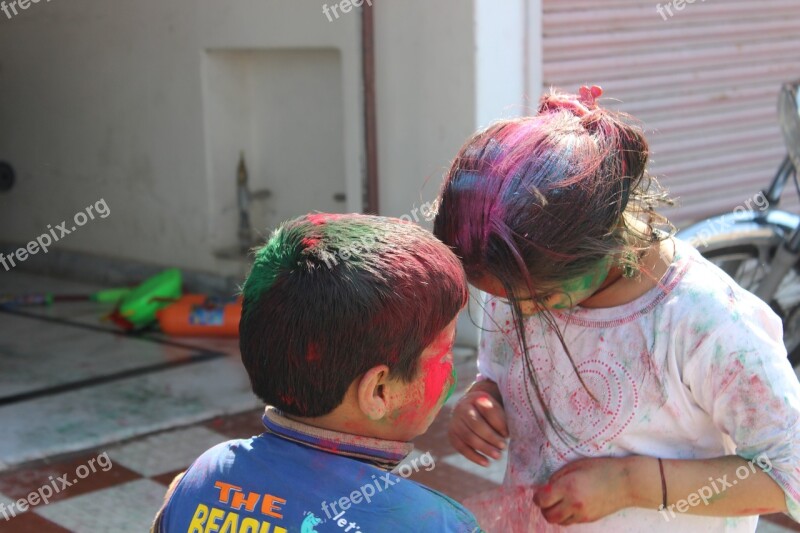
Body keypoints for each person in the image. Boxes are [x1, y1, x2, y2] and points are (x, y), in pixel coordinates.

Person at [434, 86, 800, 531]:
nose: (518, 313)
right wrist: (483, 400)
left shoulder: (708, 325)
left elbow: (789, 476)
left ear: (600, 245)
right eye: (503, 299)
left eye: (541, 300)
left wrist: (631, 483)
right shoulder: (520, 280)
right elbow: (503, 376)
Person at [151, 213, 482, 533]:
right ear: (379, 391)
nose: (452, 371)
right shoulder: (437, 524)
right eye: (446, 351)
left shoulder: (201, 480)